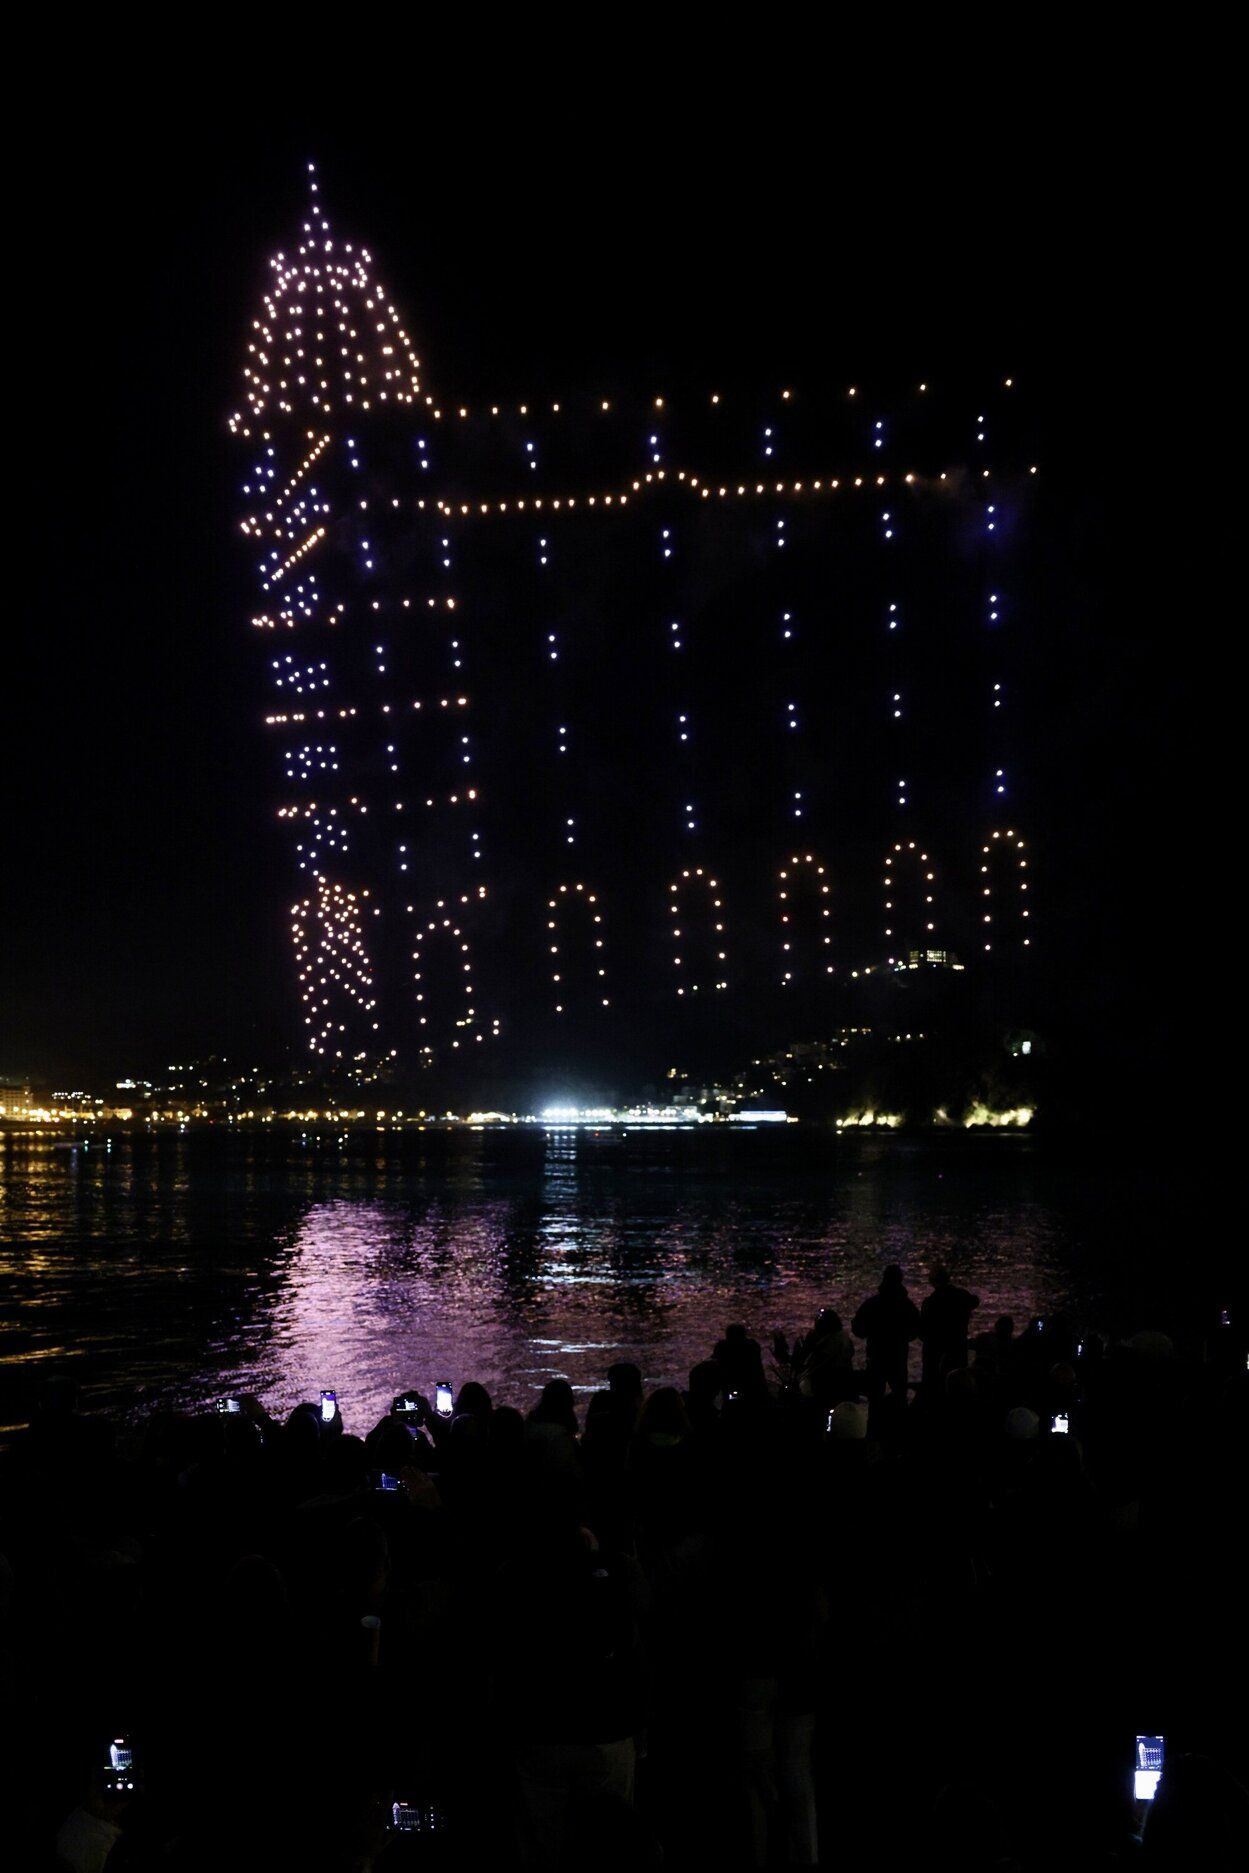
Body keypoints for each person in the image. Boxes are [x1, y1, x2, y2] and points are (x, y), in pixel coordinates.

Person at [852, 1266, 921, 1402]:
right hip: (899, 1355)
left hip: (876, 1355)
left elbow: (858, 1329)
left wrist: (871, 1332)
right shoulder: (907, 1305)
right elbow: (916, 1329)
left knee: (875, 1396)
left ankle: (875, 1422)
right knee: (900, 1395)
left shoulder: (872, 1303)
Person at [919, 1265, 981, 1391]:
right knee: (959, 1384)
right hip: (957, 1347)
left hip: (935, 1351)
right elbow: (975, 1301)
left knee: (935, 1385)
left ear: (932, 1282)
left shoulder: (930, 1303)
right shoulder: (961, 1296)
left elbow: (922, 1330)